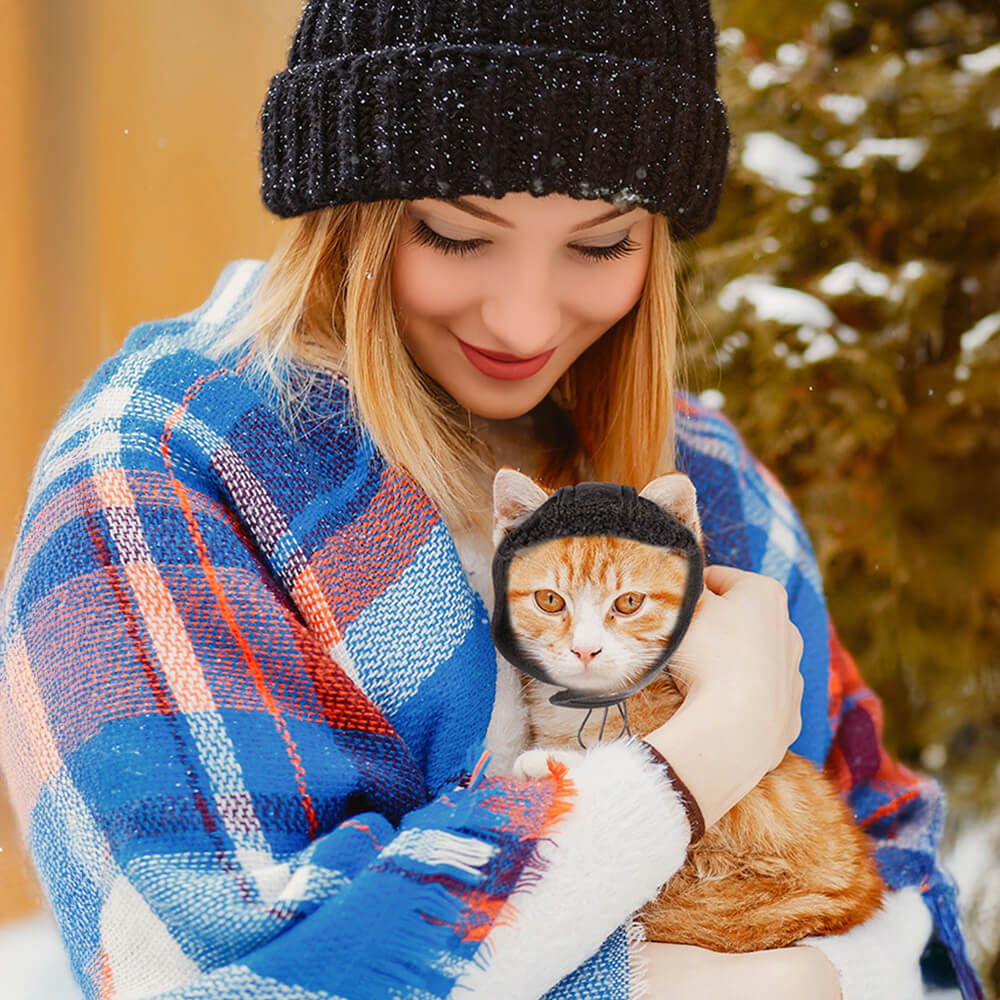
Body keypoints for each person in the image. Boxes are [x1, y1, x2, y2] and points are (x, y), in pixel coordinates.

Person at [0, 1, 982, 998]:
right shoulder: (159, 465)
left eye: (601, 245)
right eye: (456, 235)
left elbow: (893, 882)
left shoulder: (704, 478)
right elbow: (206, 970)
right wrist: (708, 754)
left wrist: (832, 972)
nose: (522, 318)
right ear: (351, 207)